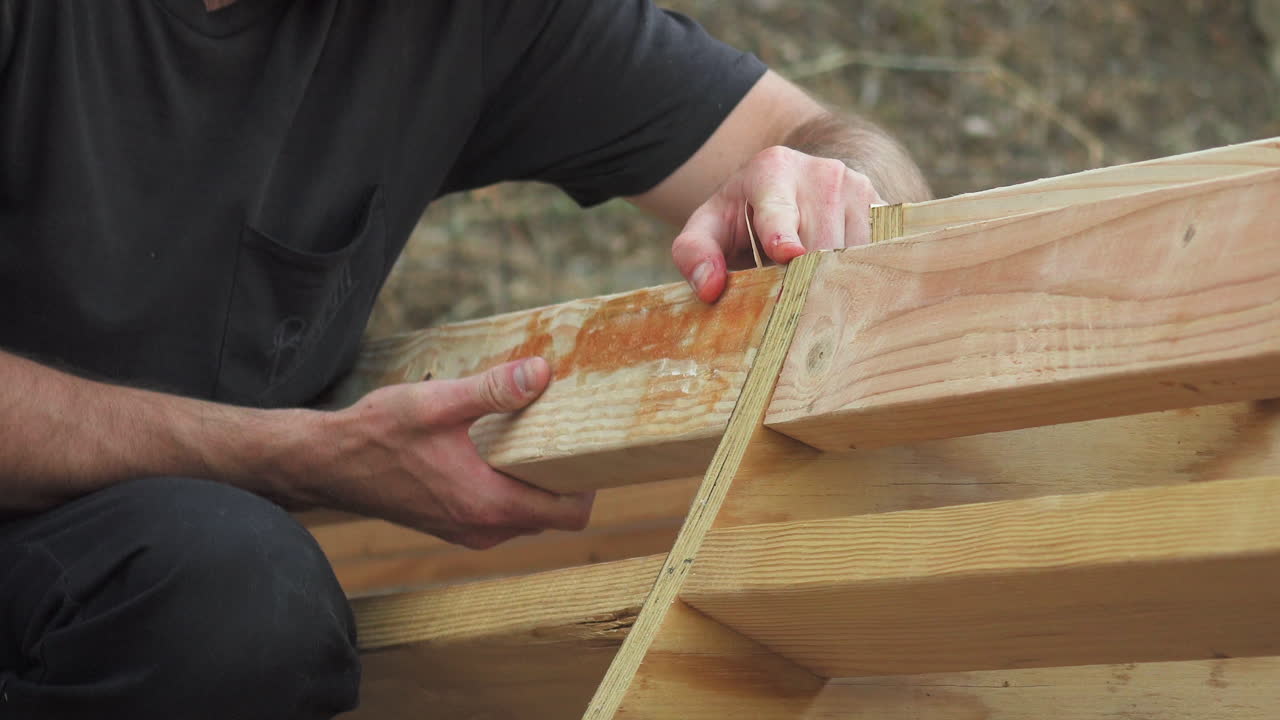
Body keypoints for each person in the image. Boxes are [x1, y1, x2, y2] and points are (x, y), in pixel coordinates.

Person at [0, 0, 930, 717]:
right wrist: (290, 453)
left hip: (150, 572)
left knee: (232, 605)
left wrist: (827, 194)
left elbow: (828, 139)